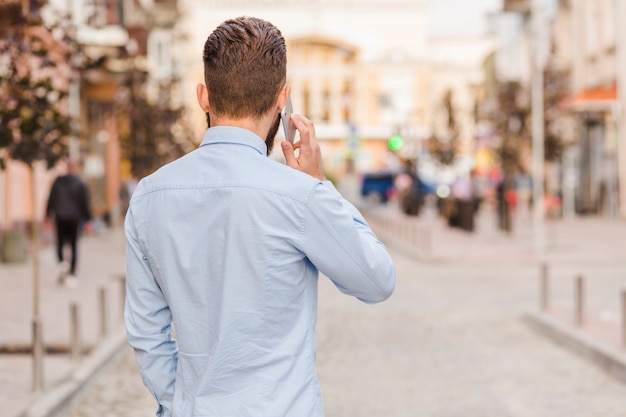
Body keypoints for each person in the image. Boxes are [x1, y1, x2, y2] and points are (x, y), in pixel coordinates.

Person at [124, 16, 396, 417]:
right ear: (282, 100)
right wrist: (320, 185)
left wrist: (182, 404)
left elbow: (147, 332)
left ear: (203, 96)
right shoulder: (300, 195)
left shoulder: (148, 196)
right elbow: (377, 280)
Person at [45, 159, 92, 288]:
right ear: (75, 168)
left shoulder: (58, 182)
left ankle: (61, 265)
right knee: (73, 246)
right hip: (74, 218)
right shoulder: (80, 183)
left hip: (60, 217)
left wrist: (48, 215)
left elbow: (51, 199)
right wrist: (88, 220)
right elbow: (84, 203)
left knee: (59, 244)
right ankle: (72, 273)